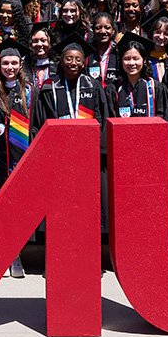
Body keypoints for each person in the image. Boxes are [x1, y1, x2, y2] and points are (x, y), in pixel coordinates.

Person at [106, 33, 168, 241]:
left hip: (152, 160)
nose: (131, 63)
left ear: (144, 60)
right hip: (124, 161)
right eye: (127, 59)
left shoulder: (157, 88)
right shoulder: (112, 90)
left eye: (136, 58)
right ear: (120, 61)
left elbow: (167, 122)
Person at [33, 32, 109, 233]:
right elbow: (42, 120)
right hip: (59, 154)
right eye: (69, 58)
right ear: (61, 61)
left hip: (89, 155)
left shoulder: (93, 86)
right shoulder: (49, 86)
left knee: (88, 200)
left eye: (78, 59)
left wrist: (98, 150)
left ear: (84, 63)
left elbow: (102, 117)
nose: (73, 63)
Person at [0, 39, 39, 278]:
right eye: (5, 63)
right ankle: (4, 255)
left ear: (21, 65)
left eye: (14, 63)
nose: (10, 67)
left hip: (23, 158)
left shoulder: (30, 92)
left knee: (20, 209)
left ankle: (17, 256)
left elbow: (37, 125)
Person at [143, 11, 168, 84]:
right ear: (152, 33)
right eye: (158, 32)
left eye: (166, 34)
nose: (161, 37)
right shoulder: (144, 58)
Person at [87, 12, 119, 87]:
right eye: (98, 28)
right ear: (93, 30)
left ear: (113, 30)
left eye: (107, 27)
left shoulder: (118, 51)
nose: (103, 31)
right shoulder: (88, 52)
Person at [25, 22, 56, 89]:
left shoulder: (57, 65)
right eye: (35, 41)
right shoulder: (25, 65)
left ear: (50, 42)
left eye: (43, 40)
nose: (39, 44)